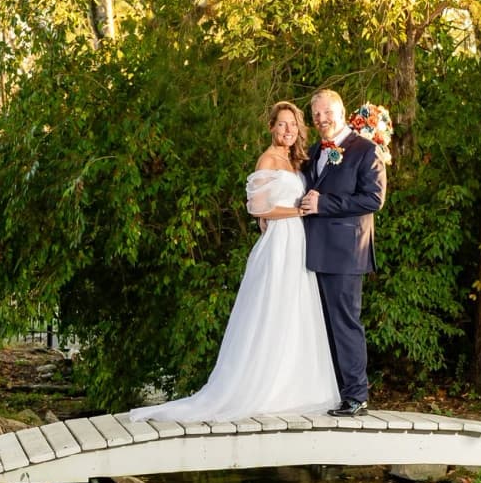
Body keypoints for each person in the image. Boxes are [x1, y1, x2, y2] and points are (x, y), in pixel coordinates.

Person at [129, 103, 338, 422]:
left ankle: (294, 388)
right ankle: (261, 388)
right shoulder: (268, 158)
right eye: (282, 125)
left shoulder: (296, 160)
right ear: (271, 126)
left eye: (292, 125)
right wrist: (297, 212)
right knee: (274, 309)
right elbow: (257, 209)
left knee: (295, 309)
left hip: (298, 240)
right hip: (281, 242)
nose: (287, 130)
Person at [299, 90, 388, 418]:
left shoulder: (365, 150)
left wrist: (325, 204)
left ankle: (356, 396)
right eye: (316, 115)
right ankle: (333, 392)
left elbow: (374, 199)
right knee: (321, 325)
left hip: (347, 253)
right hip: (313, 251)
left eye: (327, 113)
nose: (322, 120)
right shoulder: (313, 151)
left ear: (341, 111)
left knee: (345, 323)